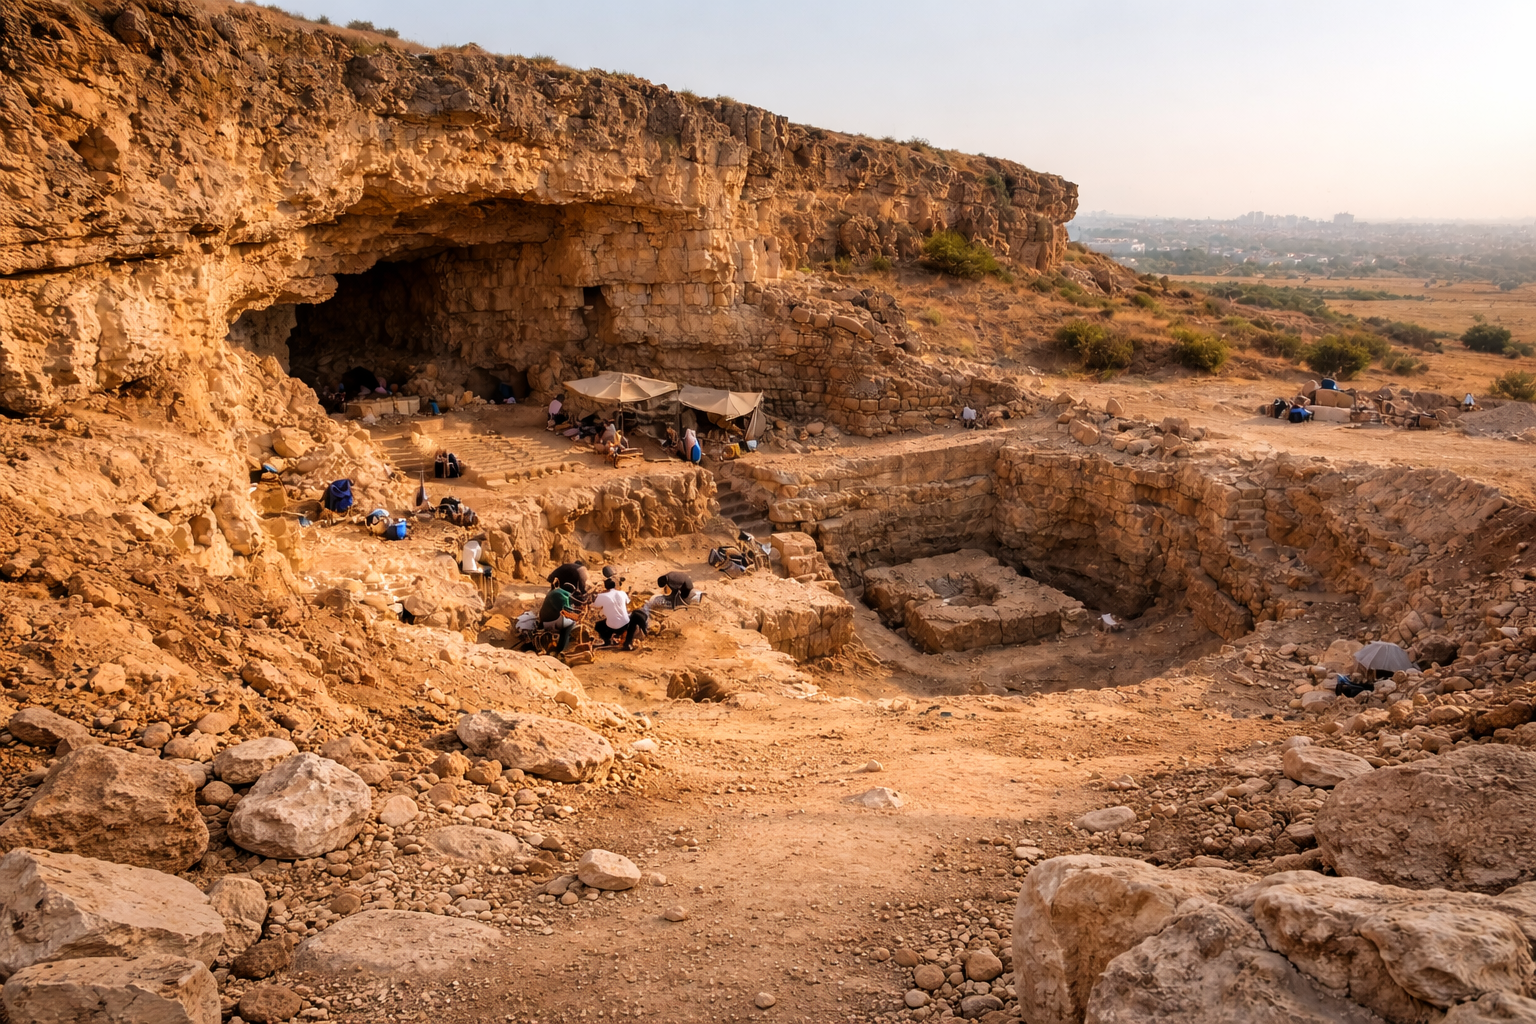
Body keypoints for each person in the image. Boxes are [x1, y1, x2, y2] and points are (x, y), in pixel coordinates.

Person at [592, 578, 639, 650]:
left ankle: (607, 641)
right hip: (625, 626)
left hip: (611, 627)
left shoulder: (602, 596)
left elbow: (595, 605)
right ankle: (628, 643)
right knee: (632, 622)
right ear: (615, 586)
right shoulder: (622, 593)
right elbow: (628, 603)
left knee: (598, 625)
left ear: (605, 587)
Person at [538, 583, 576, 654]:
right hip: (550, 622)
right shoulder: (564, 595)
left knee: (565, 620)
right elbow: (568, 610)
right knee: (571, 624)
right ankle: (561, 649)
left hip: (543, 620)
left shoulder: (554, 592)